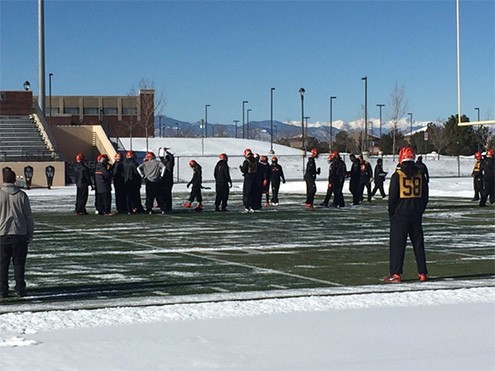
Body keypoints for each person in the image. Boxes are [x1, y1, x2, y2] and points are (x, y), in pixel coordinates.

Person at [385, 146, 429, 283]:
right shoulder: (420, 174)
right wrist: (419, 210)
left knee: (397, 245)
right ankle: (422, 272)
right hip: (415, 214)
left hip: (400, 215)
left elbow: (392, 198)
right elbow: (425, 196)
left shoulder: (397, 175)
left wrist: (391, 213)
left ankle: (396, 274)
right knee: (418, 244)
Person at [0, 169, 34, 298]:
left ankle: (3, 289)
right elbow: (28, 217)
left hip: (2, 234)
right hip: (19, 234)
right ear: (14, 179)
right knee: (19, 264)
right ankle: (20, 288)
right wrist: (29, 234)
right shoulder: (21, 195)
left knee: (2, 265)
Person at [239, 148, 258, 213]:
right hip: (255, 177)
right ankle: (253, 206)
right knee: (253, 192)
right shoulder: (255, 160)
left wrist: (241, 168)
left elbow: (244, 170)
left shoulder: (246, 161)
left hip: (248, 178)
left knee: (247, 193)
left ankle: (247, 206)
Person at [159, 147, 175, 212]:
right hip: (166, 180)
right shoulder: (166, 162)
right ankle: (167, 206)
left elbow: (169, 157)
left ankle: (168, 207)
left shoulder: (169, 163)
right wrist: (163, 151)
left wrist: (164, 151)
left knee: (167, 194)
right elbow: (161, 157)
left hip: (167, 180)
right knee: (165, 194)